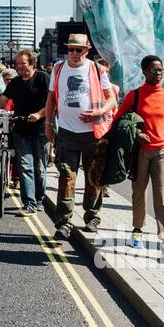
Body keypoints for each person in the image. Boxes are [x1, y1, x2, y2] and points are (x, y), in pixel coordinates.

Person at [109, 55, 164, 263]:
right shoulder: (135, 95)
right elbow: (119, 120)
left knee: (162, 198)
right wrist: (136, 134)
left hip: (162, 152)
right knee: (139, 193)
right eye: (153, 70)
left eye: (160, 70)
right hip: (140, 152)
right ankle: (137, 229)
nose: (158, 73)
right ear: (144, 72)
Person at [44, 33, 114, 238]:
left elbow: (111, 99)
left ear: (87, 49)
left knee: (94, 177)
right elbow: (51, 99)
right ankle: (64, 222)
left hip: (93, 134)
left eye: (79, 49)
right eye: (71, 49)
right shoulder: (58, 69)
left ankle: (92, 217)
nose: (74, 53)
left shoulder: (97, 69)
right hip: (66, 133)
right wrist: (49, 124)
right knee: (67, 177)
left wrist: (100, 111)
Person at [0, 49, 49, 217]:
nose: (20, 67)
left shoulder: (42, 78)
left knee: (40, 168)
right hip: (21, 129)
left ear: (32, 63)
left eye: (23, 63)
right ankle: (29, 203)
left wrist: (39, 114)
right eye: (18, 64)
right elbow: (3, 99)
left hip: (40, 130)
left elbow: (52, 102)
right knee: (24, 166)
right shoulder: (15, 82)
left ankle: (39, 200)